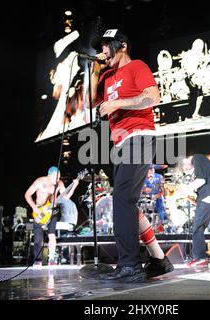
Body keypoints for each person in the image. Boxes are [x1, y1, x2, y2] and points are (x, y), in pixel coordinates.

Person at [90, 29, 173, 282]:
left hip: (139, 136)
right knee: (128, 204)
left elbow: (152, 97)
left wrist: (118, 104)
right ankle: (159, 260)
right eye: (101, 47)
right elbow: (93, 103)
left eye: (107, 46)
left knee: (122, 200)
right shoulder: (107, 75)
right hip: (120, 143)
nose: (103, 51)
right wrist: (95, 72)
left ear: (122, 46)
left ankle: (130, 266)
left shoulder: (137, 66)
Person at [24, 166, 79, 268]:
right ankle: (38, 260)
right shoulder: (40, 182)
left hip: (52, 211)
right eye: (55, 177)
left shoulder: (60, 183)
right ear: (49, 176)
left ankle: (52, 259)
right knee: (37, 239)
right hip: (39, 212)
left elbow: (66, 197)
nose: (57, 180)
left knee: (52, 235)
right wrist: (34, 208)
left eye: (59, 177)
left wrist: (74, 185)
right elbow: (27, 194)